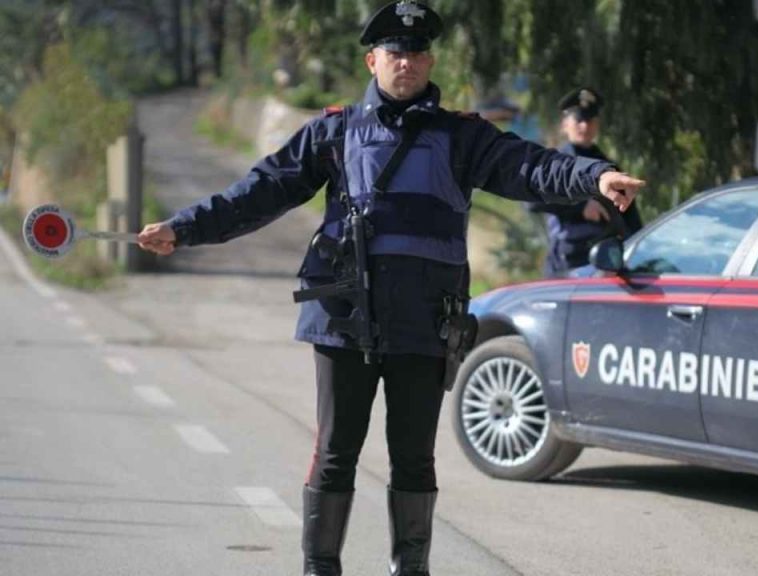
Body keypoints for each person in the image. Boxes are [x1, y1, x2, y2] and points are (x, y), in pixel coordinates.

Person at [136, 2, 643, 575]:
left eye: (418, 52)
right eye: (396, 52)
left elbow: (532, 167)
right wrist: (185, 228)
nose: (408, 62)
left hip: (424, 323)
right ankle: (319, 567)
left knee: (414, 460)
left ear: (429, 61)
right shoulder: (334, 132)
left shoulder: (462, 138)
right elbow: (260, 192)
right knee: (334, 454)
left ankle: (411, 568)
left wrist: (593, 177)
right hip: (345, 319)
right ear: (372, 59)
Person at [529, 87, 644, 277]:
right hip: (568, 263)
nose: (584, 126)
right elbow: (532, 200)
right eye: (579, 120)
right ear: (565, 124)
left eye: (589, 120)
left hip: (607, 261)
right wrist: (581, 207)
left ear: (597, 124)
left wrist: (640, 248)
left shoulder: (608, 166)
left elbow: (630, 215)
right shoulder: (555, 162)